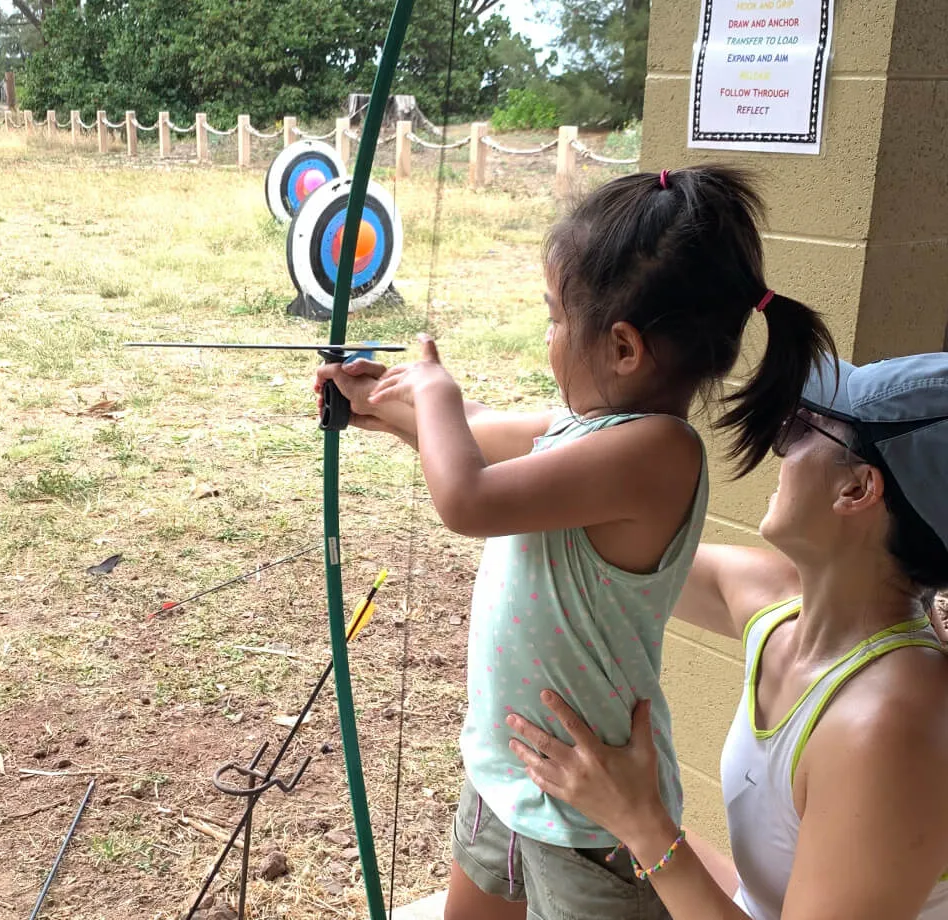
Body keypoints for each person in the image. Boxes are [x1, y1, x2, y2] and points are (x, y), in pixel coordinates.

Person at [315, 166, 834, 920]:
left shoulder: (658, 453)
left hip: (594, 812)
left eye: (557, 318)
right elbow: (476, 438)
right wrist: (380, 401)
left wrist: (436, 393)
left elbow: (468, 497)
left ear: (623, 348)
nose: (550, 335)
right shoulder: (581, 431)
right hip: (508, 773)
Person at [503, 351, 948, 919]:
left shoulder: (890, 727)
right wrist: (412, 412)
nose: (777, 452)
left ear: (858, 490)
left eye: (796, 431)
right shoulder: (780, 603)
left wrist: (644, 824)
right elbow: (613, 531)